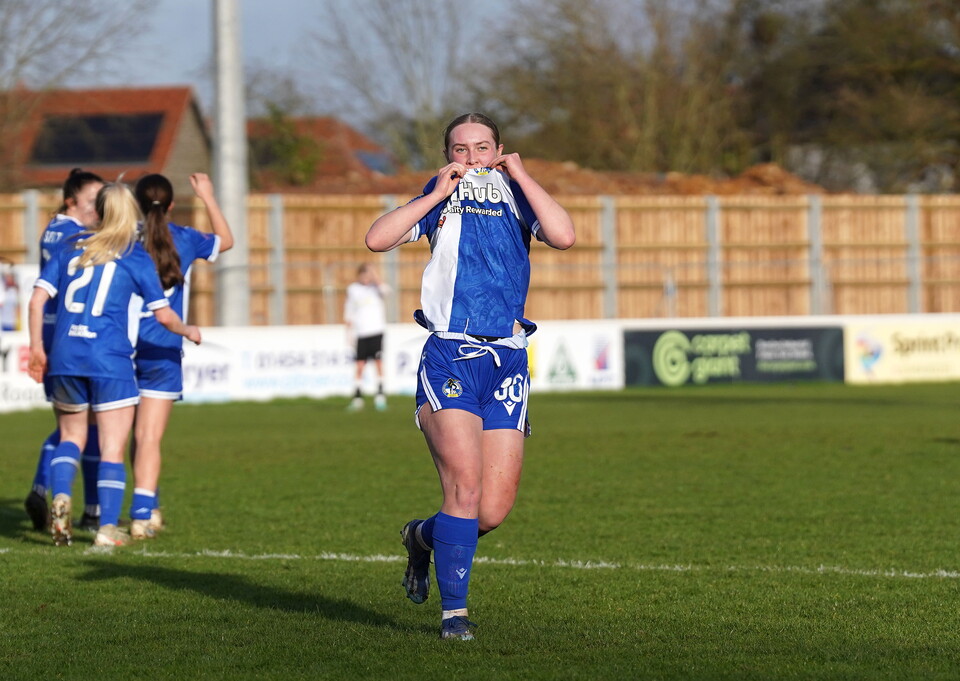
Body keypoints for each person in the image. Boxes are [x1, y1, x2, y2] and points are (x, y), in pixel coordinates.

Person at [365, 112, 575, 640]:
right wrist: (435, 195)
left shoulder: (516, 192)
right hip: (451, 355)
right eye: (461, 149)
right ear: (448, 154)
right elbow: (376, 239)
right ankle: (454, 614)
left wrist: (522, 176)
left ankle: (421, 538)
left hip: (507, 360)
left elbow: (564, 236)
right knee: (464, 487)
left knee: (491, 510)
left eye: (482, 148)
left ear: (500, 150)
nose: (472, 158)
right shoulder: (437, 196)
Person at [26, 182, 201, 547]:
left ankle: (61, 498)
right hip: (109, 359)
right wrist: (188, 330)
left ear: (99, 211)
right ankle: (107, 529)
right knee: (111, 447)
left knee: (71, 437)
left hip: (64, 356)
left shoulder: (69, 246)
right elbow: (164, 315)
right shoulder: (135, 255)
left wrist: (37, 349)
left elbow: (36, 301)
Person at [127, 172, 233, 540]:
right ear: (171, 204)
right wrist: (206, 195)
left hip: (121, 348)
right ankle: (144, 515)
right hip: (163, 348)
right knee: (150, 436)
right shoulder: (185, 238)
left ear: (136, 204)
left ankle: (140, 506)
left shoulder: (124, 239)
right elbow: (227, 241)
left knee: (132, 437)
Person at [23, 169, 106, 534]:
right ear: (71, 200)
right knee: (84, 428)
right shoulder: (75, 236)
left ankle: (44, 490)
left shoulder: (53, 229)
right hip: (72, 339)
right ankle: (88, 508)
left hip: (55, 336)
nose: (99, 211)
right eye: (94, 203)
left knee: (70, 426)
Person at [343, 263, 389, 411]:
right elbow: (349, 311)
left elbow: (386, 291)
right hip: (361, 333)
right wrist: (348, 334)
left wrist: (374, 275)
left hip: (376, 331)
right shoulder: (353, 289)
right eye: (363, 275)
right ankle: (357, 397)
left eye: (368, 275)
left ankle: (380, 396)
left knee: (378, 363)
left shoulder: (376, 288)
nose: (365, 278)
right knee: (359, 365)